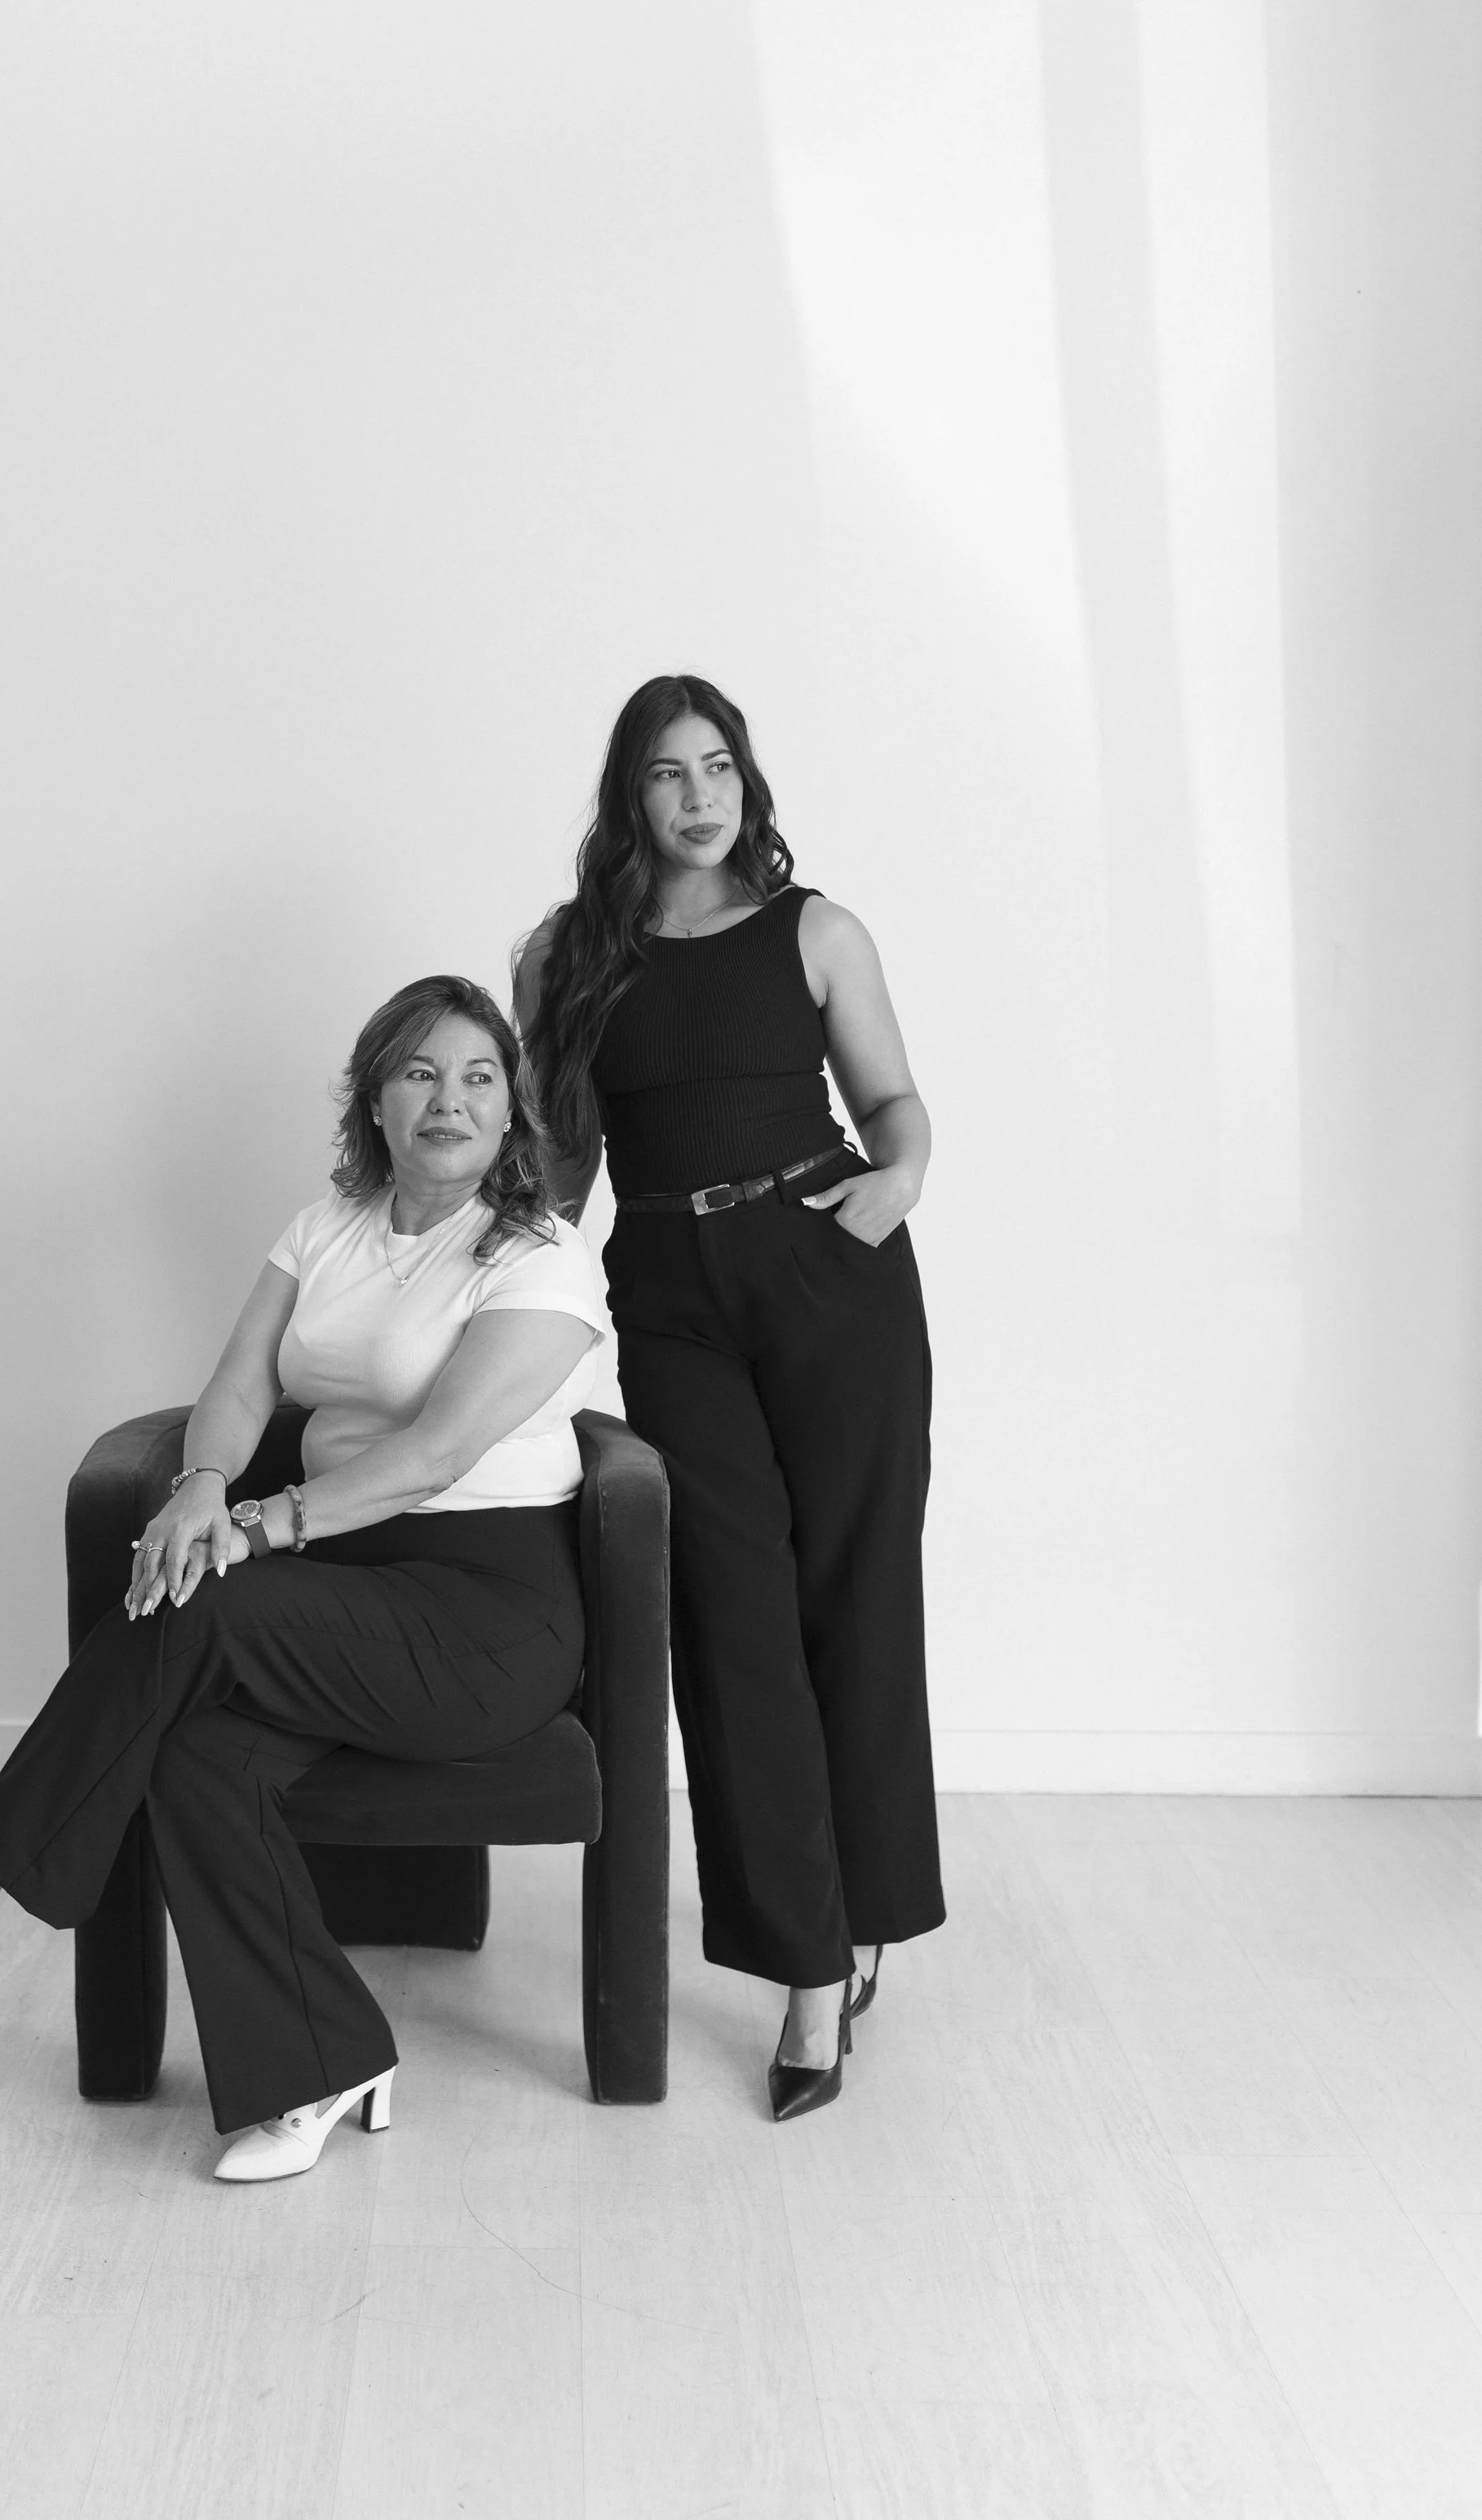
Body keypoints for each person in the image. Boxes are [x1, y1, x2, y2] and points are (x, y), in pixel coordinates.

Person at [0, 976, 604, 2181]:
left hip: (482, 1616)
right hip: (342, 1587)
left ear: (512, 1109)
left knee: (206, 1597)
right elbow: (239, 1385)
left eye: (480, 1075)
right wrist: (202, 1484)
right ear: (374, 1099)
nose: (451, 1098)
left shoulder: (538, 1256)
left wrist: (264, 1524)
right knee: (194, 1746)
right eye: (421, 1072)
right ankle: (325, 2060)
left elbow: (436, 1452)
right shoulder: (327, 1225)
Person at [515, 674, 942, 2120]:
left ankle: (846, 1943)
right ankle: (808, 1953)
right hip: (675, 1296)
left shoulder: (817, 929)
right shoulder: (569, 959)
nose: (700, 796)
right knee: (731, 1615)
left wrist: (888, 1193)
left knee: (856, 1593)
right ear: (626, 795)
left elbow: (897, 1109)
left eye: (719, 767)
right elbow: (562, 1178)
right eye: (665, 772)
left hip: (830, 1270)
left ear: (747, 783)